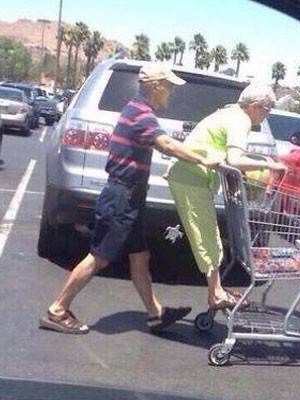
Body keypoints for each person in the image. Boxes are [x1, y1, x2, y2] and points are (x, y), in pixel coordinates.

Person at [39, 65, 219, 334]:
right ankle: (57, 310)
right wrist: (203, 159)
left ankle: (155, 313)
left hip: (129, 197)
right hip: (121, 197)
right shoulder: (141, 114)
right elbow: (166, 145)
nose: (171, 92)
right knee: (99, 257)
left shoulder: (138, 110)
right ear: (155, 85)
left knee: (140, 256)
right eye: (168, 86)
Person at [165, 83, 286, 310]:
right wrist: (271, 165)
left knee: (209, 234)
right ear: (255, 106)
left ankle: (217, 289)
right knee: (205, 235)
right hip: (190, 177)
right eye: (267, 109)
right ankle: (216, 294)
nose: (267, 113)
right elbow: (235, 160)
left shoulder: (230, 113)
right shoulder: (242, 120)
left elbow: (229, 155)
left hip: (191, 176)